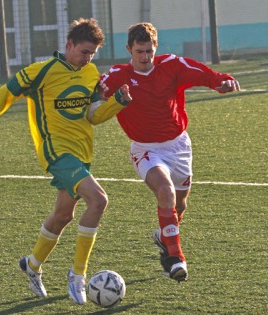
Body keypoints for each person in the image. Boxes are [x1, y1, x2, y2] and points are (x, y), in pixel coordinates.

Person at [0, 18, 131, 305]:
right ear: (69, 45)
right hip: (56, 152)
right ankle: (78, 275)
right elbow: (6, 92)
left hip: (82, 154)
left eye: (92, 54)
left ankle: (32, 265)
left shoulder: (91, 72)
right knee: (98, 200)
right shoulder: (42, 72)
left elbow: (93, 116)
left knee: (63, 217)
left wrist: (117, 102)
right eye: (84, 52)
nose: (88, 58)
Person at [98, 22, 240, 282]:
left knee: (179, 204)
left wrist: (223, 81)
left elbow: (203, 74)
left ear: (156, 48)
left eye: (149, 51)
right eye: (139, 51)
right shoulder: (117, 75)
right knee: (165, 191)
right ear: (129, 49)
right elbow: (92, 95)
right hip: (145, 149)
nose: (145, 57)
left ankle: (164, 237)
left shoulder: (172, 65)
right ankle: (175, 258)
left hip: (178, 146)